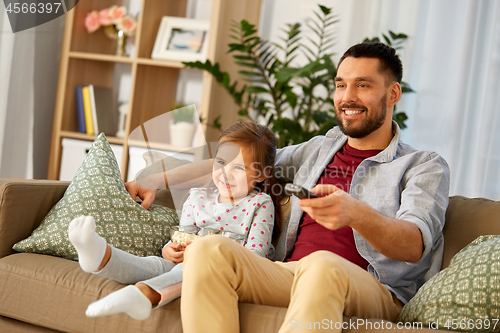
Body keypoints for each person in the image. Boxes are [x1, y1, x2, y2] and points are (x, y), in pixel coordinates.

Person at [160, 42, 448, 332]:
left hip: (374, 289)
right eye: (340, 85)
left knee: (322, 264)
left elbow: (414, 244)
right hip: (290, 272)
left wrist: (356, 214)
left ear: (393, 94)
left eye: (362, 85)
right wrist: (156, 179)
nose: (347, 97)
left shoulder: (422, 165)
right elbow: (242, 164)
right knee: (208, 250)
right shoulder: (319, 149)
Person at [67, 121, 282, 320]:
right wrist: (169, 249)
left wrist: (204, 252)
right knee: (154, 265)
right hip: (184, 262)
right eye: (222, 163)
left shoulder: (260, 204)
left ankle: (143, 294)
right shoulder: (198, 197)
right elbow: (183, 235)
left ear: (262, 174)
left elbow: (255, 258)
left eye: (239, 168)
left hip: (226, 270)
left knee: (187, 269)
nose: (226, 174)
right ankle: (100, 257)